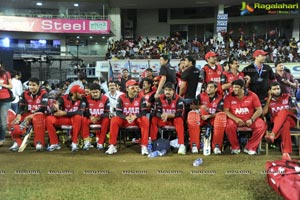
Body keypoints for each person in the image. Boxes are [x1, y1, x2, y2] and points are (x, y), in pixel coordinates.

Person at [105, 79, 149, 155]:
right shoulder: (121, 97)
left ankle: (144, 146)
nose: (135, 89)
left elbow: (144, 111)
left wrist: (135, 116)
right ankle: (112, 145)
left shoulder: (141, 97)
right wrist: (126, 117)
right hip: (125, 120)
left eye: (136, 87)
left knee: (145, 119)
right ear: (127, 89)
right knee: (114, 119)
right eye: (132, 88)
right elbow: (118, 112)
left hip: (136, 120)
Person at [224, 79, 267, 155]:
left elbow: (259, 110)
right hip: (235, 120)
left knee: (261, 125)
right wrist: (236, 119)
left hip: (250, 119)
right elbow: (226, 111)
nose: (234, 89)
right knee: (229, 125)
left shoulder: (252, 95)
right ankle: (235, 147)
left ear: (242, 87)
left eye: (236, 87)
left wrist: (252, 119)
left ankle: (250, 147)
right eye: (233, 87)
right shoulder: (229, 97)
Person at [9, 77, 48, 151]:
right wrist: (19, 115)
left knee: (37, 117)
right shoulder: (24, 93)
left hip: (42, 116)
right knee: (13, 122)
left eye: (33, 85)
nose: (31, 87)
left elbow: (43, 108)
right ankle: (17, 142)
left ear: (38, 86)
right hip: (29, 115)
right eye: (30, 85)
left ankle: (39, 143)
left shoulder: (44, 93)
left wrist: (31, 116)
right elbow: (21, 107)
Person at [187, 81, 226, 154]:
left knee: (221, 116)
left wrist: (209, 116)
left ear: (215, 89)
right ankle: (194, 145)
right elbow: (191, 106)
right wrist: (200, 106)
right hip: (201, 118)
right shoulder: (200, 96)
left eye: (211, 87)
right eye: (207, 87)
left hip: (213, 119)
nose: (208, 89)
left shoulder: (220, 99)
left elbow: (219, 112)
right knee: (192, 115)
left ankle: (217, 147)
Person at [263, 82, 297, 160]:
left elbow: (295, 110)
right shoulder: (267, 100)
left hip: (290, 119)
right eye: (274, 89)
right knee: (285, 125)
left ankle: (273, 134)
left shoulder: (287, 97)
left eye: (278, 88)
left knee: (283, 112)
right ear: (270, 91)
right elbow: (264, 113)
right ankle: (286, 152)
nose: (277, 90)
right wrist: (269, 98)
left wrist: (288, 110)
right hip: (277, 123)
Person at [46, 85, 86, 152]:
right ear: (74, 93)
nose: (82, 94)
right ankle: (54, 143)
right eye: (80, 93)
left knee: (78, 117)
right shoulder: (63, 98)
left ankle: (74, 143)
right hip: (64, 119)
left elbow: (80, 112)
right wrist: (55, 108)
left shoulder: (83, 99)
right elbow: (55, 106)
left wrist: (65, 113)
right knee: (49, 119)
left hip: (75, 120)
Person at [150, 82, 186, 154]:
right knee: (154, 119)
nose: (167, 92)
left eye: (169, 90)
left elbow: (179, 114)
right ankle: (152, 143)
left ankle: (181, 144)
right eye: (166, 90)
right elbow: (156, 112)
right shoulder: (160, 98)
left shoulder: (179, 99)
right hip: (163, 119)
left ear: (173, 91)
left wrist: (167, 115)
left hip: (174, 120)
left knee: (179, 120)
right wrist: (162, 116)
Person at [82, 83, 110, 150]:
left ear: (100, 91)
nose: (95, 94)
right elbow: (84, 111)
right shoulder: (86, 98)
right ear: (90, 92)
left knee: (107, 120)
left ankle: (100, 142)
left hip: (100, 119)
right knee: (83, 119)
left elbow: (107, 113)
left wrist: (98, 117)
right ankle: (87, 141)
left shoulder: (106, 99)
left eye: (96, 92)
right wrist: (90, 117)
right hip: (90, 118)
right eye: (93, 92)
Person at [0, 62, 13, 146]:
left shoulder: (6, 73)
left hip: (5, 100)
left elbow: (11, 86)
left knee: (3, 122)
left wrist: (2, 84)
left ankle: (1, 138)